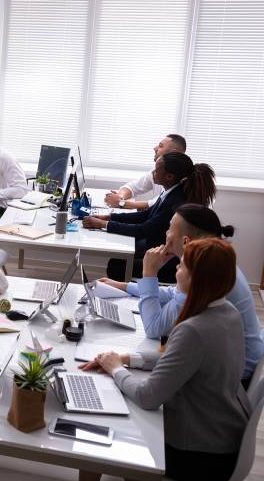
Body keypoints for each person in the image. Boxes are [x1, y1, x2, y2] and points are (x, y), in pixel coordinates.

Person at [65, 238, 250, 481]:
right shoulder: (228, 313)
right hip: (223, 436)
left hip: (202, 455)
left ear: (198, 279)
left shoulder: (194, 330)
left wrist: (116, 368)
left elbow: (149, 396)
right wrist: (128, 358)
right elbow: (177, 357)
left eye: (183, 267)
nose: (176, 270)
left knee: (116, 433)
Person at [99, 204, 263, 387]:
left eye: (169, 228)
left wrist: (149, 274)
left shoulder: (203, 276)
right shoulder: (214, 261)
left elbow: (154, 328)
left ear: (186, 241)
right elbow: (172, 293)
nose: (166, 232)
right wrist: (124, 286)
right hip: (237, 358)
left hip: (232, 378)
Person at [82, 152, 215, 282]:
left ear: (169, 176)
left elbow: (143, 230)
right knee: (120, 253)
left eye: (156, 170)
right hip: (156, 246)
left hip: (168, 263)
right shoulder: (170, 191)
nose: (153, 173)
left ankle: (124, 296)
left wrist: (102, 225)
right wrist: (110, 217)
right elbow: (144, 215)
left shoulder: (176, 202)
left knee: (117, 264)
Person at [104, 134, 187, 210]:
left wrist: (120, 203)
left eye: (161, 146)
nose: (155, 148)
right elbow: (133, 187)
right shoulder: (158, 171)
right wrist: (120, 197)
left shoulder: (181, 182)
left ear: (173, 152)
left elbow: (154, 204)